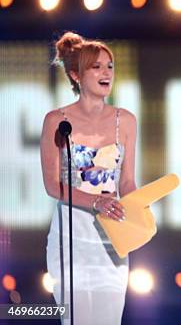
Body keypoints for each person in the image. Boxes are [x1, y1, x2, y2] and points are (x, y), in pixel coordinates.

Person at [40, 32, 138, 325]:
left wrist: (139, 211)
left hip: (111, 240)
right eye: (96, 67)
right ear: (75, 75)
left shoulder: (126, 121)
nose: (106, 73)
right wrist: (96, 201)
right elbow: (52, 185)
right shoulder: (57, 121)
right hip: (71, 239)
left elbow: (126, 183)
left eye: (110, 66)